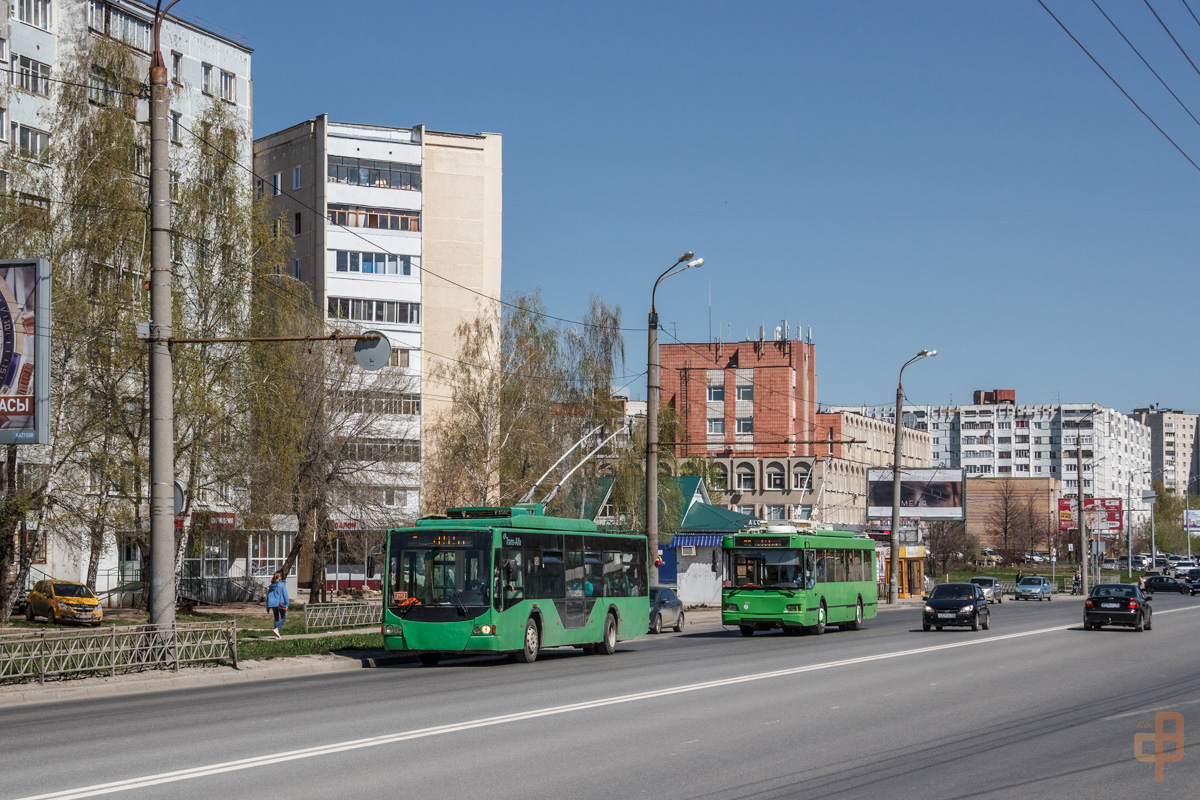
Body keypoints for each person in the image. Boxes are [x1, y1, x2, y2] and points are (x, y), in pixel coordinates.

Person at [267, 571, 289, 639]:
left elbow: (268, 596)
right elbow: (285, 595)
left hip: (273, 604)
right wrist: (287, 604)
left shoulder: (271, 586)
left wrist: (267, 606)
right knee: (284, 617)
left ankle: (276, 635)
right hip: (280, 603)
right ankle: (277, 629)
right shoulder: (281, 584)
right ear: (279, 577)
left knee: (276, 618)